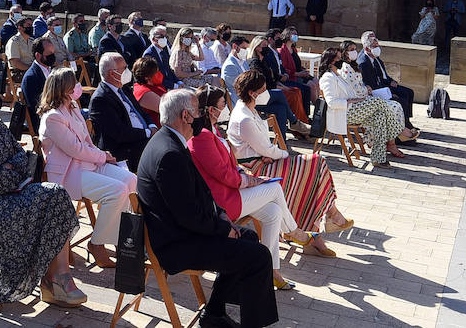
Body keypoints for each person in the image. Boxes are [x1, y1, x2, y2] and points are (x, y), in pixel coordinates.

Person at [137, 88, 278, 328]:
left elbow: (198, 191)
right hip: (177, 244)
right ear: (184, 116)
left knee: (250, 238)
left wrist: (221, 215)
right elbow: (188, 216)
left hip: (185, 232)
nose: (200, 116)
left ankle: (214, 312)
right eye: (197, 111)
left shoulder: (170, 140)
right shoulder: (169, 153)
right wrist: (223, 229)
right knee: (259, 256)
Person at [0, 73, 84, 308]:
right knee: (52, 198)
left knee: (56, 195)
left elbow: (23, 158)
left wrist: (10, 166)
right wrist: (12, 167)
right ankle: (55, 281)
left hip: (14, 193)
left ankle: (58, 277)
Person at [188, 85, 314, 291]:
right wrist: (250, 181)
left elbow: (228, 165)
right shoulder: (201, 137)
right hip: (222, 201)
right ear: (211, 110)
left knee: (273, 212)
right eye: (222, 105)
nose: (225, 108)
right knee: (274, 188)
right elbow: (223, 174)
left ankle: (271, 271)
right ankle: (293, 231)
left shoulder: (213, 130)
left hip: (231, 191)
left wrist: (245, 175)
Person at [228, 71, 350, 252]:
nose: (266, 92)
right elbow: (266, 148)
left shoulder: (247, 109)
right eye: (263, 89)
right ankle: (328, 218)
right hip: (254, 168)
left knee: (314, 165)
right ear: (253, 93)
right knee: (314, 164)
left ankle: (324, 221)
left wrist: (270, 154)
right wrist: (285, 155)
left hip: (262, 161)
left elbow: (261, 147)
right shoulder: (244, 117)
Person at [39, 68, 137, 269]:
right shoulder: (53, 117)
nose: (77, 86)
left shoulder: (73, 107)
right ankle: (97, 243)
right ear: (64, 88)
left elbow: (86, 141)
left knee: (130, 180)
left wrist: (103, 156)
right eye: (73, 83)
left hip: (88, 164)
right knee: (116, 191)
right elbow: (75, 150)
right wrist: (102, 156)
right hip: (69, 173)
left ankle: (122, 239)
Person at [318, 47, 406, 166]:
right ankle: (398, 129)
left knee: (379, 116)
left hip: (353, 109)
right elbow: (332, 102)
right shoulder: (327, 78)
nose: (341, 60)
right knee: (377, 102)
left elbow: (350, 93)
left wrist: (358, 99)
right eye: (338, 58)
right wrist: (350, 101)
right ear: (331, 61)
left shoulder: (338, 75)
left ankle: (378, 158)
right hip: (343, 113)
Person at [89, 52, 155, 171]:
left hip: (143, 137)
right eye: (124, 68)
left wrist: (152, 125)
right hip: (125, 149)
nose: (127, 71)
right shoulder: (101, 99)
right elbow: (120, 133)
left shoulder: (123, 88)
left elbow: (141, 112)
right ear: (112, 73)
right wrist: (148, 133)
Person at [357, 31, 418, 136]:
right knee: (401, 100)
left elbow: (382, 74)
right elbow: (371, 84)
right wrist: (389, 93)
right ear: (367, 48)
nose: (377, 48)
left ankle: (407, 119)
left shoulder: (374, 56)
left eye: (377, 45)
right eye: (374, 46)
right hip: (377, 90)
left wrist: (391, 81)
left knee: (408, 92)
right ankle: (402, 126)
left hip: (385, 84)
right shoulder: (363, 62)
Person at [19, 37, 56, 116]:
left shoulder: (51, 70)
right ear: (38, 55)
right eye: (49, 54)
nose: (52, 57)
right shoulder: (31, 77)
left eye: (53, 53)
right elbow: (36, 108)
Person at [130, 56, 167, 125]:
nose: (159, 74)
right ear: (147, 77)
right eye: (156, 72)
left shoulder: (155, 85)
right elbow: (168, 109)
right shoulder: (143, 92)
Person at [143, 25, 180, 90]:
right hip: (157, 88)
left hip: (168, 85)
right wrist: (174, 86)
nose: (164, 39)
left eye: (165, 36)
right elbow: (154, 77)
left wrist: (178, 81)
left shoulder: (163, 52)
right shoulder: (149, 54)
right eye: (162, 36)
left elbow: (169, 70)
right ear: (154, 39)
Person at [64, 14, 97, 83]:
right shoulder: (70, 36)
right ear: (75, 23)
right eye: (81, 21)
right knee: (91, 67)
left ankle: (95, 87)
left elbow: (88, 48)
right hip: (75, 61)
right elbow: (70, 54)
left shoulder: (83, 34)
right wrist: (85, 54)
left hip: (87, 58)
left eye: (84, 21)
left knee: (100, 65)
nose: (83, 23)